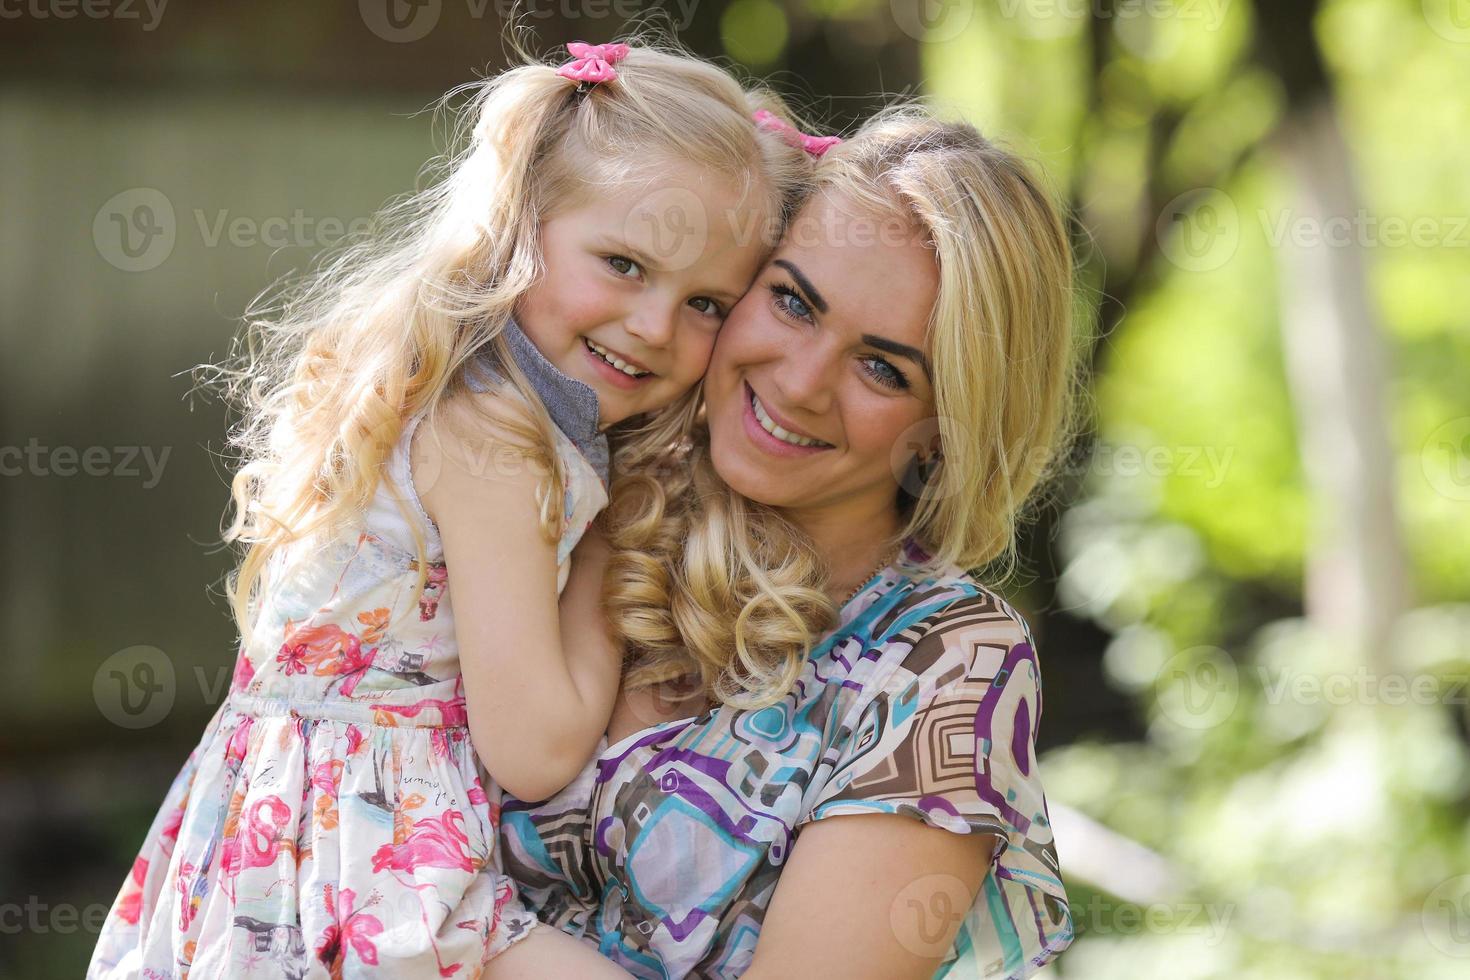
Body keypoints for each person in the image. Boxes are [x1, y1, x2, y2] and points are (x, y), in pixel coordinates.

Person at [87, 38, 810, 979]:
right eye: (624, 264)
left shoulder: (467, 394)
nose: (655, 326)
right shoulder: (495, 445)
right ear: (519, 225)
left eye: (708, 302)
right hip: (358, 867)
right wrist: (609, 551)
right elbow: (536, 747)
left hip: (294, 845)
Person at [495, 106, 1083, 979]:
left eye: (884, 368)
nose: (801, 383)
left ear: (947, 430)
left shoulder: (946, 664)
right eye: (792, 301)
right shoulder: (572, 488)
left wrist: (445, 921)